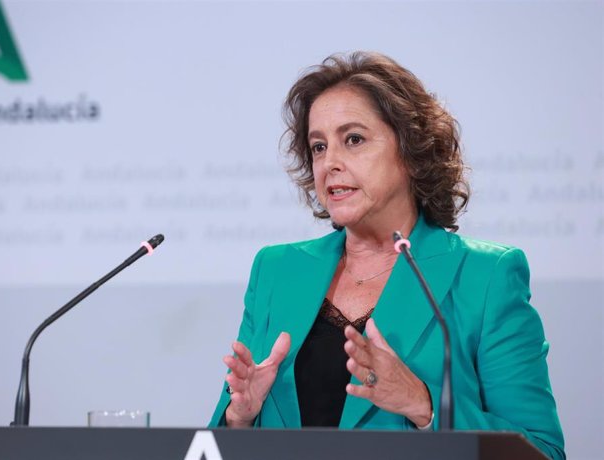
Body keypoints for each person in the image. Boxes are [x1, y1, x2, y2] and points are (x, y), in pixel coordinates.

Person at [209, 51, 565, 459]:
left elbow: (542, 452)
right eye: (319, 146)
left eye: (353, 140)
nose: (330, 163)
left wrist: (423, 405)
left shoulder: (486, 276)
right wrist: (240, 419)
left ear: (411, 151)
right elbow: (214, 447)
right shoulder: (276, 270)